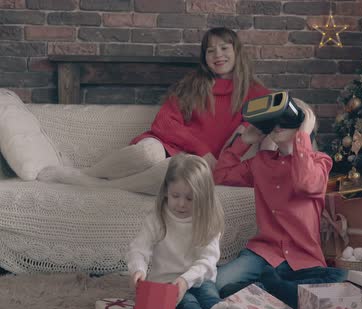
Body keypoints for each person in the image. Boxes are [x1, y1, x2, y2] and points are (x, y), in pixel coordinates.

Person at [37, 27, 271, 195]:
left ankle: (90, 184)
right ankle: (89, 173)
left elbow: (276, 119)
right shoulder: (192, 84)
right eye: (210, 50)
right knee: (146, 155)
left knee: (175, 173)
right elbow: (164, 124)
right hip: (164, 144)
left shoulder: (255, 93)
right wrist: (203, 150)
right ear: (205, 58)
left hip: (194, 163)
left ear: (236, 52)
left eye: (224, 47)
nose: (218, 55)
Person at [203, 98, 346, 309]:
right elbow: (221, 176)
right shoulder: (261, 161)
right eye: (274, 122)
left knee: (314, 301)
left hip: (303, 257)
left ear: (302, 126)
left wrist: (303, 136)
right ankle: (260, 294)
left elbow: (305, 183)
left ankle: (261, 294)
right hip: (263, 253)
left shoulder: (321, 162)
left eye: (286, 121)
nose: (278, 126)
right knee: (219, 283)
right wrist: (245, 140)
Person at [126, 153, 244, 309]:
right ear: (166, 191)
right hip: (167, 282)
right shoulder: (157, 218)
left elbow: (208, 261)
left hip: (199, 279)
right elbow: (138, 249)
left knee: (210, 297)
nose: (181, 204)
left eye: (190, 198)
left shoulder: (207, 219)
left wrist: (185, 280)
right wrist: (137, 269)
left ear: (203, 197)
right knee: (187, 303)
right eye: (175, 196)